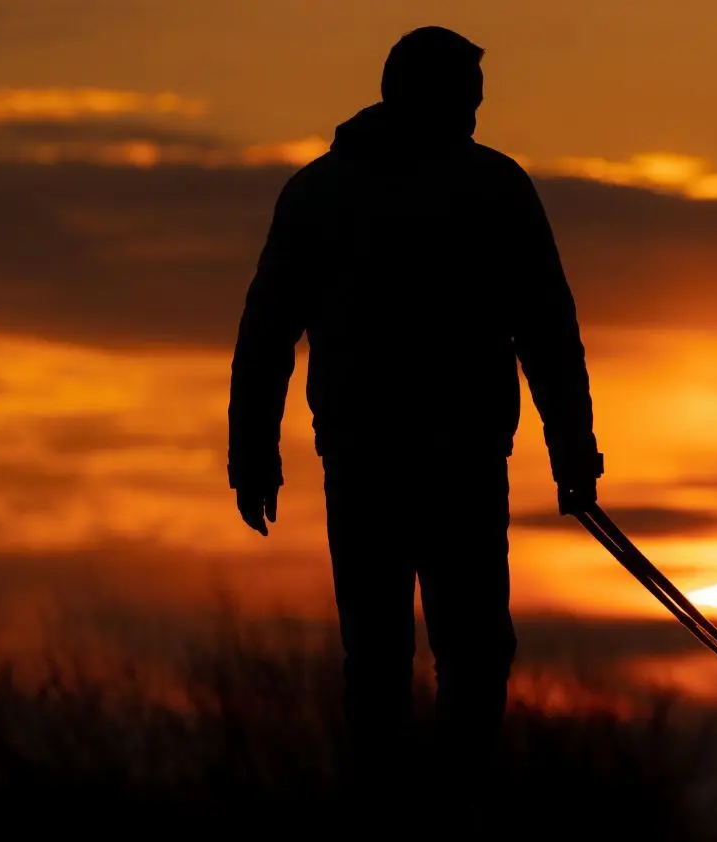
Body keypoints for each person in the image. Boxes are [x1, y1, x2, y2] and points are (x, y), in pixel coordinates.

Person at [225, 25, 603, 831]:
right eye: (464, 102)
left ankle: (422, 808)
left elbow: (545, 328)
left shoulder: (335, 192)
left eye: (477, 104)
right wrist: (251, 449)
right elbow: (268, 330)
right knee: (425, 655)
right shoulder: (470, 191)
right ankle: (418, 812)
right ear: (423, 96)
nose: (472, 117)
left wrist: (573, 448)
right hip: (410, 460)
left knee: (412, 656)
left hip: (411, 458)